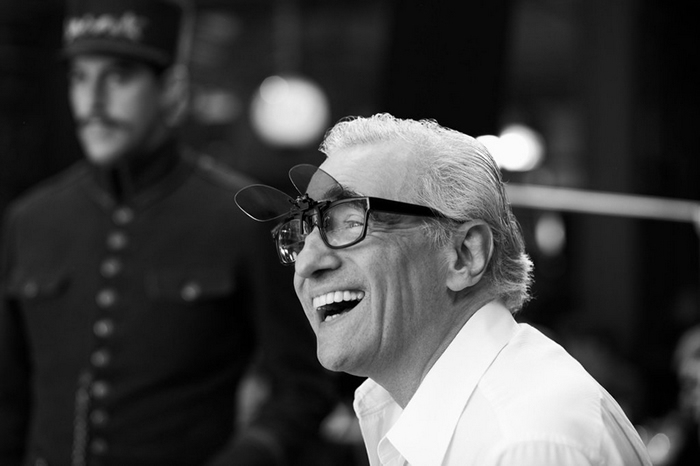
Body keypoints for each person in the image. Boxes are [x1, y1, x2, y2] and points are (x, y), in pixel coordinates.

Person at [0, 1, 335, 465]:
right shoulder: (30, 221)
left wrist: (247, 456)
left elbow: (304, 387)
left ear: (172, 91)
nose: (93, 101)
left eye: (118, 76)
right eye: (79, 77)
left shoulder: (240, 218)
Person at [234, 113, 653, 465]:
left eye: (350, 222)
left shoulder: (523, 443)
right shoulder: (409, 411)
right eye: (302, 231)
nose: (306, 263)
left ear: (465, 254)